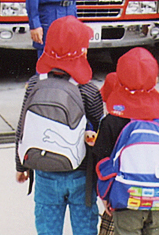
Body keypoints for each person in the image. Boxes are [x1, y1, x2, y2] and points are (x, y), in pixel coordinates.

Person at [15, 15, 103, 235]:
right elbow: (99, 137)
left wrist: (20, 165)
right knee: (84, 229)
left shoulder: (36, 83)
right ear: (82, 52)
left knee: (47, 229)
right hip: (82, 176)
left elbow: (22, 127)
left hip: (44, 172)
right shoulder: (89, 90)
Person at [93, 47, 159, 235]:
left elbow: (100, 161)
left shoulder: (112, 120)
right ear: (156, 80)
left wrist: (105, 196)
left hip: (126, 200)